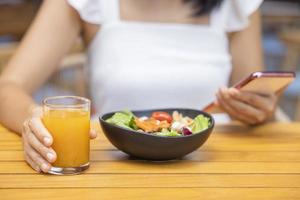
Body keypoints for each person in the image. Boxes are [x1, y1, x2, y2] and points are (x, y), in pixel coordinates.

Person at [0, 0, 277, 173]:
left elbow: (257, 99)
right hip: (111, 168)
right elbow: (8, 87)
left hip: (219, 169)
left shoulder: (238, 5)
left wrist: (260, 110)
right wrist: (32, 117)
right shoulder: (82, 3)